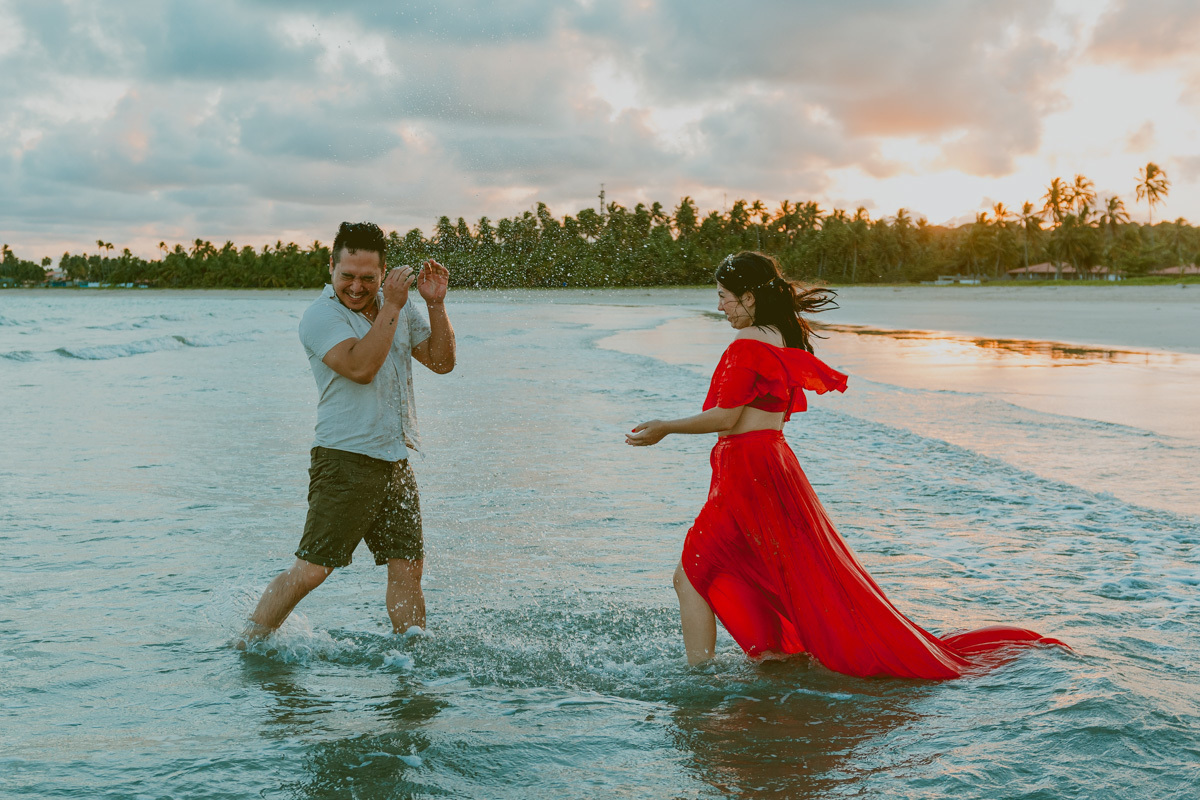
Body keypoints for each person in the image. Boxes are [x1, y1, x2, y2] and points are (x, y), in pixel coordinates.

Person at [626, 251, 1064, 679]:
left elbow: (727, 418)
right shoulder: (780, 336)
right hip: (769, 464)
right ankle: (774, 654)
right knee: (762, 566)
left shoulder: (746, 343)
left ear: (749, 297)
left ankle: (698, 677)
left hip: (748, 470)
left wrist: (665, 426)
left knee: (694, 570)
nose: (718, 305)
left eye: (723, 295)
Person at [240, 221, 456, 643]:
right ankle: (248, 641)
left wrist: (434, 305)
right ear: (332, 268)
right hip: (344, 458)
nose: (356, 288)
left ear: (384, 272)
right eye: (347, 277)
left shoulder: (395, 305)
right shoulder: (321, 316)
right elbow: (360, 368)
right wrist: (392, 303)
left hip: (394, 458)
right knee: (313, 570)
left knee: (408, 567)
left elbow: (442, 362)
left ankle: (412, 652)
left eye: (368, 279)